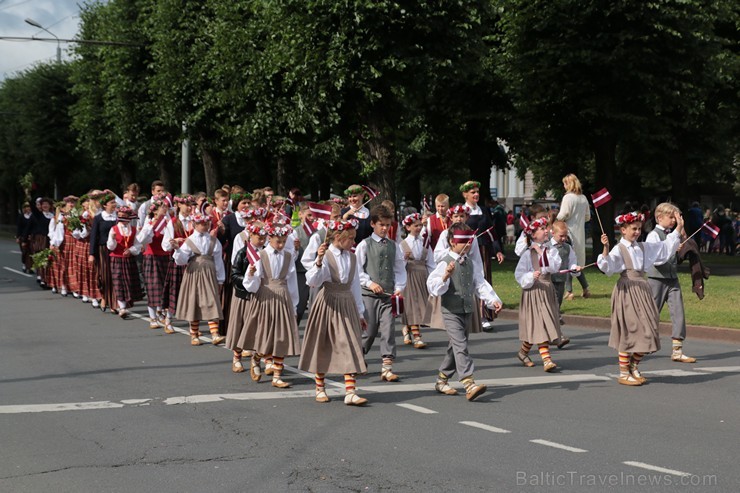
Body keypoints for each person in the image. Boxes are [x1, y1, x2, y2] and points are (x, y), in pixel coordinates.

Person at [597, 210, 684, 386]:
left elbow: (665, 248)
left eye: (638, 229)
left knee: (649, 329)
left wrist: (679, 227)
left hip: (642, 290)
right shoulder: (619, 248)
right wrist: (605, 249)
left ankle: (634, 365)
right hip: (627, 291)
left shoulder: (643, 247)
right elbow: (608, 266)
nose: (637, 232)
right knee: (629, 330)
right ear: (623, 230)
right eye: (633, 229)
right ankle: (623, 372)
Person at [427, 223, 503, 401]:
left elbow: (480, 284)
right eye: (464, 242)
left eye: (470, 242)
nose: (468, 245)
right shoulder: (445, 262)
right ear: (453, 242)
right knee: (461, 345)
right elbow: (433, 287)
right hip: (451, 310)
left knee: (455, 347)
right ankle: (469, 383)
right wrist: (445, 275)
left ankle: (442, 379)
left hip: (467, 309)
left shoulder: (471, 263)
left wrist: (493, 300)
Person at [299, 218, 370, 406]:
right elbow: (312, 281)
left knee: (349, 343)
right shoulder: (327, 255)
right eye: (351, 239)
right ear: (338, 237)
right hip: (328, 302)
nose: (354, 242)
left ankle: (350, 391)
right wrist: (319, 261)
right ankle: (320, 387)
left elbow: (354, 286)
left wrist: (360, 312)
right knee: (324, 344)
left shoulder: (352, 257)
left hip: (346, 303)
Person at [241, 221, 300, 388]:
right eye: (277, 241)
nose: (281, 245)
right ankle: (257, 357)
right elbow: (251, 285)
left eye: (283, 241)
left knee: (281, 337)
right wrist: (251, 275)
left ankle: (277, 376)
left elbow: (292, 282)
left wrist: (294, 305)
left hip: (282, 298)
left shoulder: (288, 257)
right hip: (265, 297)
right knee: (265, 335)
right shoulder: (260, 256)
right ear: (269, 238)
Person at [355, 205, 407, 382]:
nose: (385, 228)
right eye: (381, 225)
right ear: (373, 224)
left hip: (387, 296)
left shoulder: (394, 246)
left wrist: (399, 287)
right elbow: (358, 271)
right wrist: (370, 283)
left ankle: (387, 367)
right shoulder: (364, 245)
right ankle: (359, 357)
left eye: (387, 225)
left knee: (388, 330)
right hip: (368, 296)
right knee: (368, 332)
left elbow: (399, 269)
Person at [647, 203, 696, 364]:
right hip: (657, 278)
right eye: (671, 217)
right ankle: (643, 343)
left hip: (672, 277)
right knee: (652, 312)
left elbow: (673, 253)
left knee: (678, 311)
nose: (674, 221)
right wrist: (671, 248)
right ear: (659, 218)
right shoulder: (653, 235)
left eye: (676, 218)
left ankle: (677, 349)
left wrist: (677, 249)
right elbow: (656, 258)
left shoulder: (672, 234)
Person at [515, 218, 564, 372]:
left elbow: (555, 266)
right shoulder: (527, 255)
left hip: (546, 290)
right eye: (542, 229)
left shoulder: (551, 251)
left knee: (539, 325)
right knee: (540, 325)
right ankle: (547, 360)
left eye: (545, 228)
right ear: (534, 235)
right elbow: (519, 275)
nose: (546, 231)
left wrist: (541, 252)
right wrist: (530, 276)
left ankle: (523, 352)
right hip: (533, 292)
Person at [173, 213, 226, 347]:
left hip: (209, 273)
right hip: (194, 273)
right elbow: (181, 260)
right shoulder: (189, 241)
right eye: (202, 224)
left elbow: (219, 261)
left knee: (211, 300)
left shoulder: (213, 241)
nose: (205, 226)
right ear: (195, 225)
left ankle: (215, 334)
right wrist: (177, 249)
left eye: (207, 224)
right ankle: (194, 334)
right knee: (194, 302)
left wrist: (220, 279)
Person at [460, 181, 504, 329]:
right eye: (473, 192)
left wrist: (497, 249)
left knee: (482, 278)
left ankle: (483, 315)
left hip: (483, 249)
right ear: (465, 194)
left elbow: (491, 231)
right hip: (466, 251)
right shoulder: (461, 211)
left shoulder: (484, 210)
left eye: (477, 192)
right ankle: (466, 314)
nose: (476, 194)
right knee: (466, 279)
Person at [227, 221, 267, 376]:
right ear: (251, 235)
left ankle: (258, 358)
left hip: (260, 296)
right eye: (259, 237)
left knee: (258, 328)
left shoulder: (266, 253)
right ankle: (236, 357)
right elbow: (234, 273)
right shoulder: (243, 253)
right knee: (240, 326)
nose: (262, 241)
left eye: (265, 237)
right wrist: (247, 278)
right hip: (244, 296)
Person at [399, 213, 435, 349]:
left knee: (420, 305)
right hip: (409, 276)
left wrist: (433, 278)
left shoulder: (424, 242)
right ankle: (417, 336)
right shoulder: (402, 244)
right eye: (415, 225)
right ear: (408, 227)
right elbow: (398, 265)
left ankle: (406, 327)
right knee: (414, 305)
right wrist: (404, 259)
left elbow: (431, 262)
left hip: (422, 277)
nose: (419, 227)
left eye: (420, 225)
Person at [137, 198, 171, 329]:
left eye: (165, 206)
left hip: (165, 257)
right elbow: (141, 239)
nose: (165, 208)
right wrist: (151, 226)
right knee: (153, 286)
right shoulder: (149, 222)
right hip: (151, 256)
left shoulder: (167, 221)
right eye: (162, 206)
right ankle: (152, 317)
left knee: (164, 286)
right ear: (155, 211)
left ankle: (161, 312)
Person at [557, 174, 591, 300]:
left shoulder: (568, 198)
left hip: (568, 232)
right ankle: (585, 288)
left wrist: (556, 221)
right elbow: (588, 217)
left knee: (567, 262)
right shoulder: (583, 198)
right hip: (580, 233)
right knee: (576, 263)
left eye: (565, 184)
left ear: (568, 184)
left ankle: (569, 291)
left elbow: (563, 214)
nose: (564, 186)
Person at [107, 206, 144, 319]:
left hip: (128, 259)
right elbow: (110, 247)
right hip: (116, 259)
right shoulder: (113, 229)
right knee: (119, 282)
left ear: (128, 217)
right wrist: (113, 239)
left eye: (124, 216)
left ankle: (126, 304)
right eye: (120, 216)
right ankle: (122, 307)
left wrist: (131, 250)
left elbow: (138, 244)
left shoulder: (133, 229)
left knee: (128, 282)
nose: (122, 218)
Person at [549, 220, 582, 347]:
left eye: (565, 235)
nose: (563, 238)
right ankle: (559, 335)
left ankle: (554, 336)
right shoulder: (546, 246)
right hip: (548, 281)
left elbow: (572, 261)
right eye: (561, 236)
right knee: (554, 306)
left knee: (557, 304)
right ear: (553, 233)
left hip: (560, 281)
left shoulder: (568, 248)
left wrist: (575, 268)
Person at [88, 193, 118, 312]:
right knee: (104, 276)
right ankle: (105, 297)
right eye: (112, 203)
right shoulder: (99, 218)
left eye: (114, 202)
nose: (114, 205)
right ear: (105, 205)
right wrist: (91, 254)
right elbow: (94, 237)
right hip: (103, 249)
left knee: (115, 275)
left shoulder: (118, 217)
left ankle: (114, 303)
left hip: (116, 249)